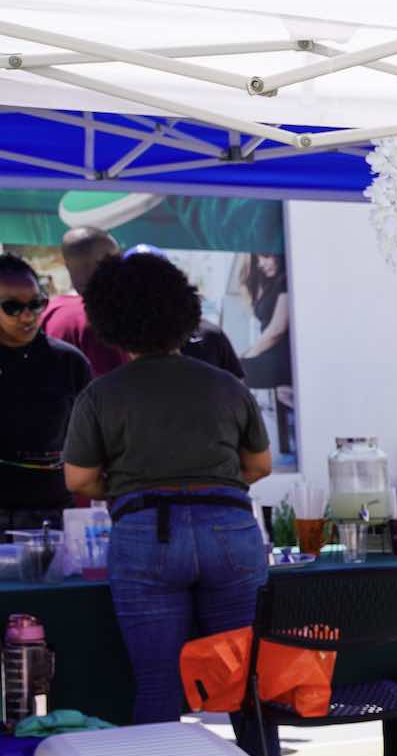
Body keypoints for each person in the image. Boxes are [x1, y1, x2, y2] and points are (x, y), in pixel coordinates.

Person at [61, 253, 272, 725]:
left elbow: (79, 479)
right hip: (230, 529)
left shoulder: (101, 393)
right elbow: (259, 464)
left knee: (158, 682)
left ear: (110, 322)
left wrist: (127, 486)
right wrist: (210, 485)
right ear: (184, 314)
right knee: (243, 680)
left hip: (144, 532)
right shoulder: (226, 386)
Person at [0, 254, 92, 530]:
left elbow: (92, 438)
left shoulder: (69, 361)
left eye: (36, 303)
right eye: (12, 307)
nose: (27, 315)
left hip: (50, 517)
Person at [39, 227, 127, 377]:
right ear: (106, 263)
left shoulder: (45, 310)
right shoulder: (102, 318)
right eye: (118, 259)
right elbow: (119, 387)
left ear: (67, 265)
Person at [236, 253, 293, 455]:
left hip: (282, 359)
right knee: (232, 371)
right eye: (258, 260)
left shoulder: (287, 281)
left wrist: (248, 356)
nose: (262, 264)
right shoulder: (270, 284)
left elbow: (276, 330)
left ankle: (249, 445)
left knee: (233, 376)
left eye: (266, 257)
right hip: (271, 356)